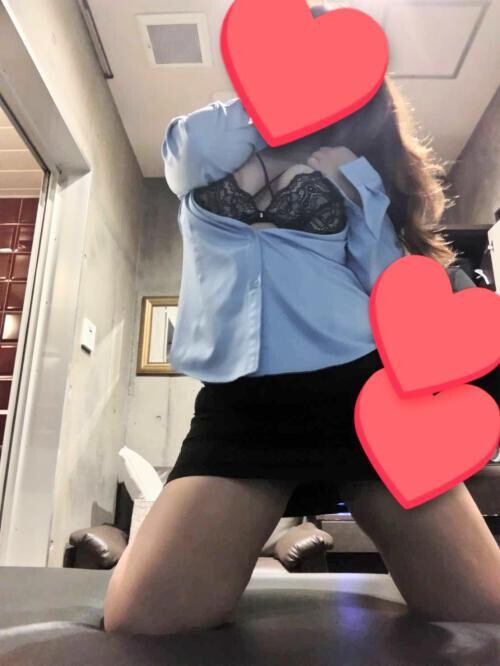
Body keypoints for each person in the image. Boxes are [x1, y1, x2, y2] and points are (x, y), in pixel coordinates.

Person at [103, 13, 500, 635]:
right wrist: (281, 108)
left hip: (361, 393)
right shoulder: (204, 144)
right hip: (243, 405)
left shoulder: (350, 166)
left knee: (482, 608)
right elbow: (187, 151)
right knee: (141, 620)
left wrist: (355, 180)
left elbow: (385, 282)